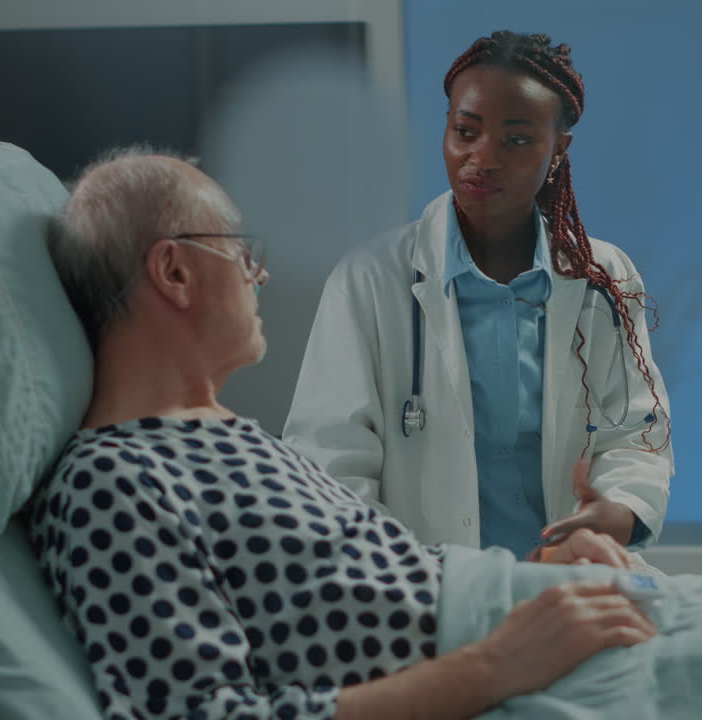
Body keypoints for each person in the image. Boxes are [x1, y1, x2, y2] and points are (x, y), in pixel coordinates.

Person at [34, 147, 658, 720]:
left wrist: (538, 567)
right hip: (506, 666)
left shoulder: (238, 445)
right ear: (174, 271)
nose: (259, 275)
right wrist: (497, 663)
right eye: (239, 249)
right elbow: (195, 713)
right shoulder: (111, 482)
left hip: (529, 620)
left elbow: (377, 581)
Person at [283, 31, 672, 562]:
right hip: (420, 602)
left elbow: (635, 436)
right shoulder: (370, 278)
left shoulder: (602, 276)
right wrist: (396, 585)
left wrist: (617, 512)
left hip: (566, 583)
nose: (481, 158)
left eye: (515, 140)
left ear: (558, 149)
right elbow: (327, 462)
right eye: (465, 131)